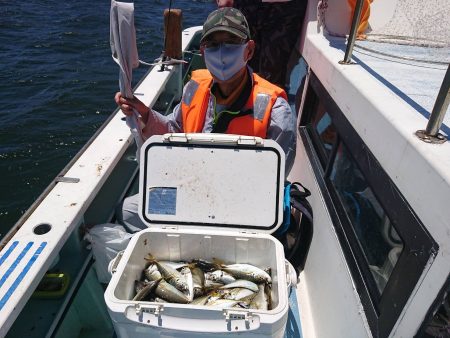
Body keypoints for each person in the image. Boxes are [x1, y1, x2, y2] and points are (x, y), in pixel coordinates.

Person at [115, 7, 296, 232]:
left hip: (242, 206)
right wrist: (144, 114)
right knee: (130, 210)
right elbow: (174, 129)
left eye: (231, 42)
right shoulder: (194, 87)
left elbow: (273, 181)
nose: (222, 52)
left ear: (248, 50)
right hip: (192, 188)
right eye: (213, 44)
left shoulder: (275, 110)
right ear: (203, 51)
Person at [216, 0, 307, 90]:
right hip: (246, 5)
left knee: (272, 74)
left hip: (286, 9)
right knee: (240, 67)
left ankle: (271, 101)